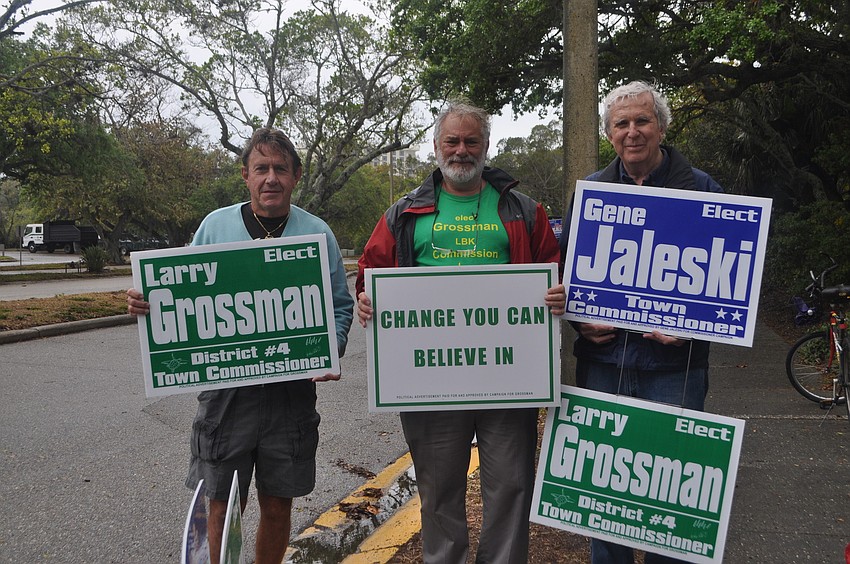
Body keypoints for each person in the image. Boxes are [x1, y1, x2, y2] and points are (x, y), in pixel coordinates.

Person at [127, 128, 354, 564]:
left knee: (277, 501)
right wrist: (147, 301)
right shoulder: (215, 226)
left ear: (296, 176)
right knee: (222, 500)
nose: (271, 178)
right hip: (226, 393)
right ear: (245, 175)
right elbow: (182, 290)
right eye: (261, 168)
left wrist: (332, 346)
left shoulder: (317, 233)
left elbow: (340, 307)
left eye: (280, 169)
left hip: (291, 392)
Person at [355, 100, 566, 564]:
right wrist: (367, 297)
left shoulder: (523, 209)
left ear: (486, 146)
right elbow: (371, 270)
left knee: (511, 484)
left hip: (508, 377)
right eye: (452, 140)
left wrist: (558, 293)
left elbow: (554, 268)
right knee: (438, 486)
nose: (462, 150)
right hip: (430, 381)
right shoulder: (403, 213)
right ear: (436, 147)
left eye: (472, 140)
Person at [559, 81, 723, 564]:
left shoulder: (702, 188)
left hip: (675, 369)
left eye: (642, 121)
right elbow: (570, 276)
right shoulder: (590, 193)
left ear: (661, 127)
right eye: (621, 124)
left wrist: (692, 325)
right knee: (601, 496)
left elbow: (729, 279)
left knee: (670, 500)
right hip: (602, 364)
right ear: (610, 133)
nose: (632, 132)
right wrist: (580, 323)